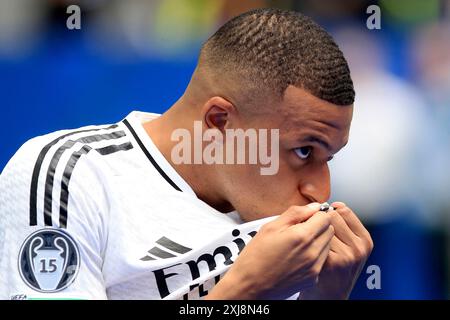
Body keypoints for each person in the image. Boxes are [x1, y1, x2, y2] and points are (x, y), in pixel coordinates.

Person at [0, 8, 373, 300]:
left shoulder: (281, 232)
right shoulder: (66, 176)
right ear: (219, 121)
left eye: (329, 158)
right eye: (304, 150)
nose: (320, 191)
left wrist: (323, 296)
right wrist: (244, 289)